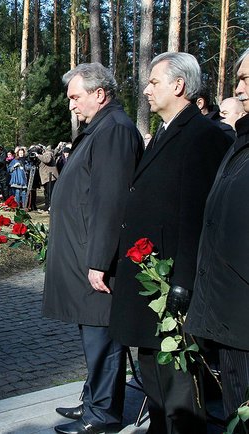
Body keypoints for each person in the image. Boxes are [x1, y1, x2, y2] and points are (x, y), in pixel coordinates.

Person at [109, 52, 232, 434]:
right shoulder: (165, 131)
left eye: (153, 82)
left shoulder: (201, 136)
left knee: (177, 380)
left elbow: (197, 216)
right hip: (149, 279)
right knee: (152, 368)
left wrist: (183, 281)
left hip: (170, 284)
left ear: (178, 86)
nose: (146, 90)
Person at [42, 62, 143, 434]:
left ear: (99, 94)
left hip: (98, 259)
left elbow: (110, 201)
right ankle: (93, 399)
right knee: (92, 334)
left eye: (75, 97)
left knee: (102, 334)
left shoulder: (114, 130)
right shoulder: (100, 128)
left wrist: (99, 260)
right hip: (85, 254)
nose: (71, 105)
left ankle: (102, 415)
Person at [184, 47, 249, 423]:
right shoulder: (239, 143)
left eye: (245, 79)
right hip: (229, 318)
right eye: (238, 78)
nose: (238, 88)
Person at [36, 145, 59, 210]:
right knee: (46, 193)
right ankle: (47, 206)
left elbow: (47, 160)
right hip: (46, 177)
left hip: (51, 177)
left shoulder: (48, 153)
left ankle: (51, 206)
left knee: (50, 193)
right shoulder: (44, 154)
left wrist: (38, 156)